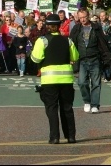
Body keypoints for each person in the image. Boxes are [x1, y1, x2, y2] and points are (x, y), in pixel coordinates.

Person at [31, 14, 79, 144]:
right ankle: (71, 136)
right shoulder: (67, 40)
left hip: (49, 80)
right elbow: (75, 57)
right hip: (66, 80)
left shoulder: (42, 40)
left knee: (51, 108)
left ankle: (54, 137)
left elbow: (35, 58)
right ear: (59, 26)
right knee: (67, 108)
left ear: (47, 26)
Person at [69, 8, 111, 114]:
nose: (82, 20)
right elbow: (71, 43)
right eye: (80, 18)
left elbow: (102, 43)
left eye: (84, 17)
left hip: (95, 59)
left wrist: (107, 58)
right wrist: (70, 58)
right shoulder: (76, 28)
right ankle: (87, 101)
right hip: (82, 60)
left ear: (88, 16)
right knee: (82, 82)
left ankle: (95, 105)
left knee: (96, 83)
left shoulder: (96, 27)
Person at [99, 11, 111, 82]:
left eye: (103, 16)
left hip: (110, 43)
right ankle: (105, 75)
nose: (102, 17)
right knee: (103, 60)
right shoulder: (98, 24)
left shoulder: (110, 23)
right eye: (101, 16)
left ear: (106, 16)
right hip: (102, 44)